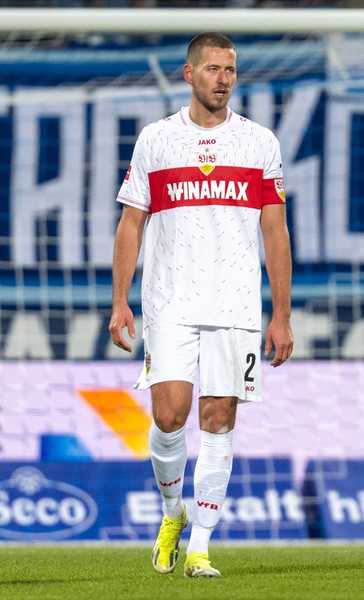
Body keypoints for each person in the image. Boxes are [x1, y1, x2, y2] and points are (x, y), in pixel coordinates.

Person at [109, 32, 293, 578]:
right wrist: (119, 301)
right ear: (189, 74)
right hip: (168, 300)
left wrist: (280, 314)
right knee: (169, 415)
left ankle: (201, 548)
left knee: (219, 417)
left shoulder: (260, 142)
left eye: (231, 70)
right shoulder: (156, 139)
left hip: (236, 302)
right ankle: (173, 513)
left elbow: (275, 229)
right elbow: (131, 222)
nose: (224, 79)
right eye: (213, 69)